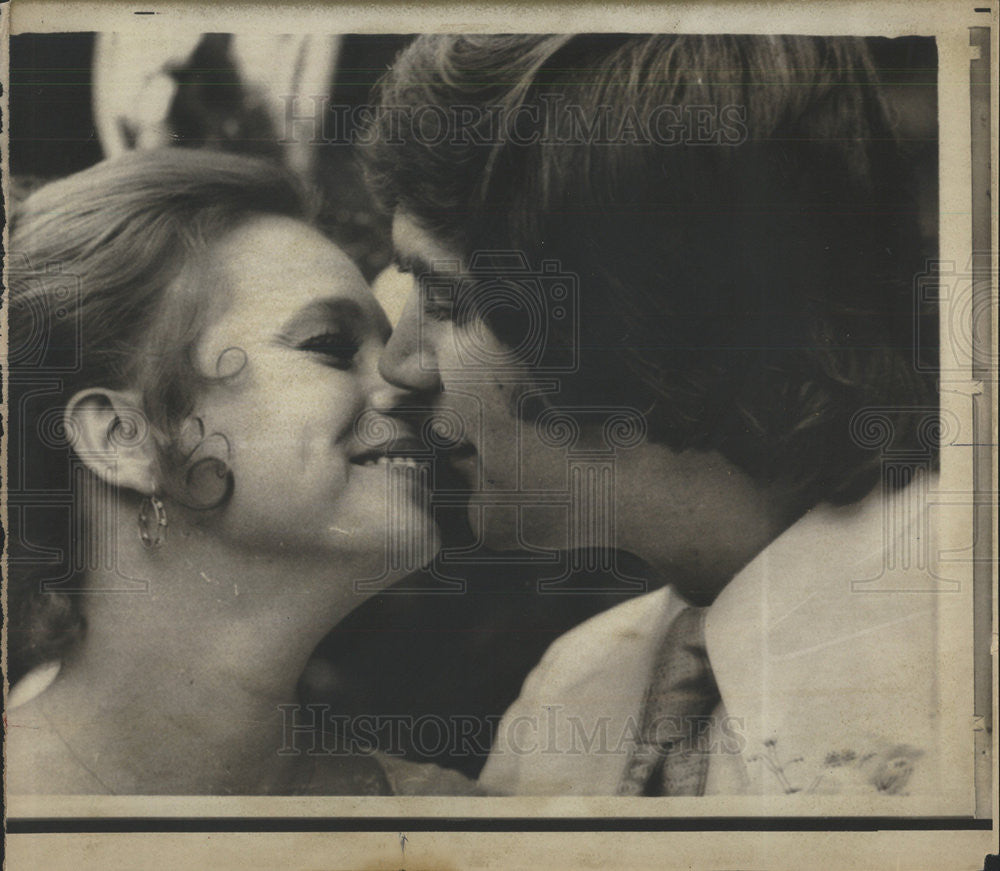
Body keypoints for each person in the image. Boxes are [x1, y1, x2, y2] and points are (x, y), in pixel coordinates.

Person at [363, 35, 965, 798]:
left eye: (444, 299)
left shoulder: (971, 670)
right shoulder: (572, 694)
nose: (399, 364)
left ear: (630, 315)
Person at [5, 148, 478, 796]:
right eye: (331, 346)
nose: (405, 382)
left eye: (390, 347)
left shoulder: (454, 825)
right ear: (124, 438)